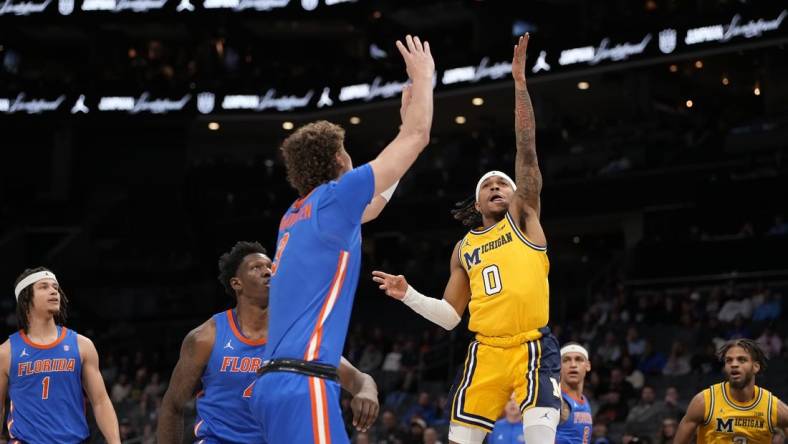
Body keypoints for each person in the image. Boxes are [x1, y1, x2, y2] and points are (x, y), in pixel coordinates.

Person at [372, 34, 561, 444]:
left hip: (532, 349)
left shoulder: (524, 218)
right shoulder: (464, 248)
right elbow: (450, 317)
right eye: (488, 184)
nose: (497, 186)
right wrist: (408, 295)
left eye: (503, 183)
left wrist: (519, 84)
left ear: (517, 195)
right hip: (486, 352)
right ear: (476, 202)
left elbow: (526, 150)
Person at [250, 34, 435, 444]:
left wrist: (404, 135)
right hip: (304, 384)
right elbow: (419, 137)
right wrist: (424, 81)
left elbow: (375, 205)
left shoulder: (295, 216)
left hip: (272, 387)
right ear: (339, 161)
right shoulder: (336, 199)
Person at [157, 241, 379, 443]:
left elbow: (358, 378)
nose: (267, 272)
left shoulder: (295, 335)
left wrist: (366, 392)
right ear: (237, 283)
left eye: (270, 267)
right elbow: (172, 406)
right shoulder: (206, 337)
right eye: (256, 268)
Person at [0, 267, 120, 443]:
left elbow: (100, 401)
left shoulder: (82, 345)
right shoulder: (6, 352)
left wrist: (115, 442)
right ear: (25, 299)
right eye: (43, 287)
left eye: (55, 287)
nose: (53, 291)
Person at [674, 339, 788, 443]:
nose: (734, 364)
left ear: (755, 367)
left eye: (741, 360)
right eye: (729, 360)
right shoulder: (704, 401)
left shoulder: (771, 406)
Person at [556, 343, 593, 444]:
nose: (573, 365)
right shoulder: (553, 400)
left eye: (578, 359)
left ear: (588, 366)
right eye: (566, 360)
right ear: (559, 366)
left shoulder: (585, 401)